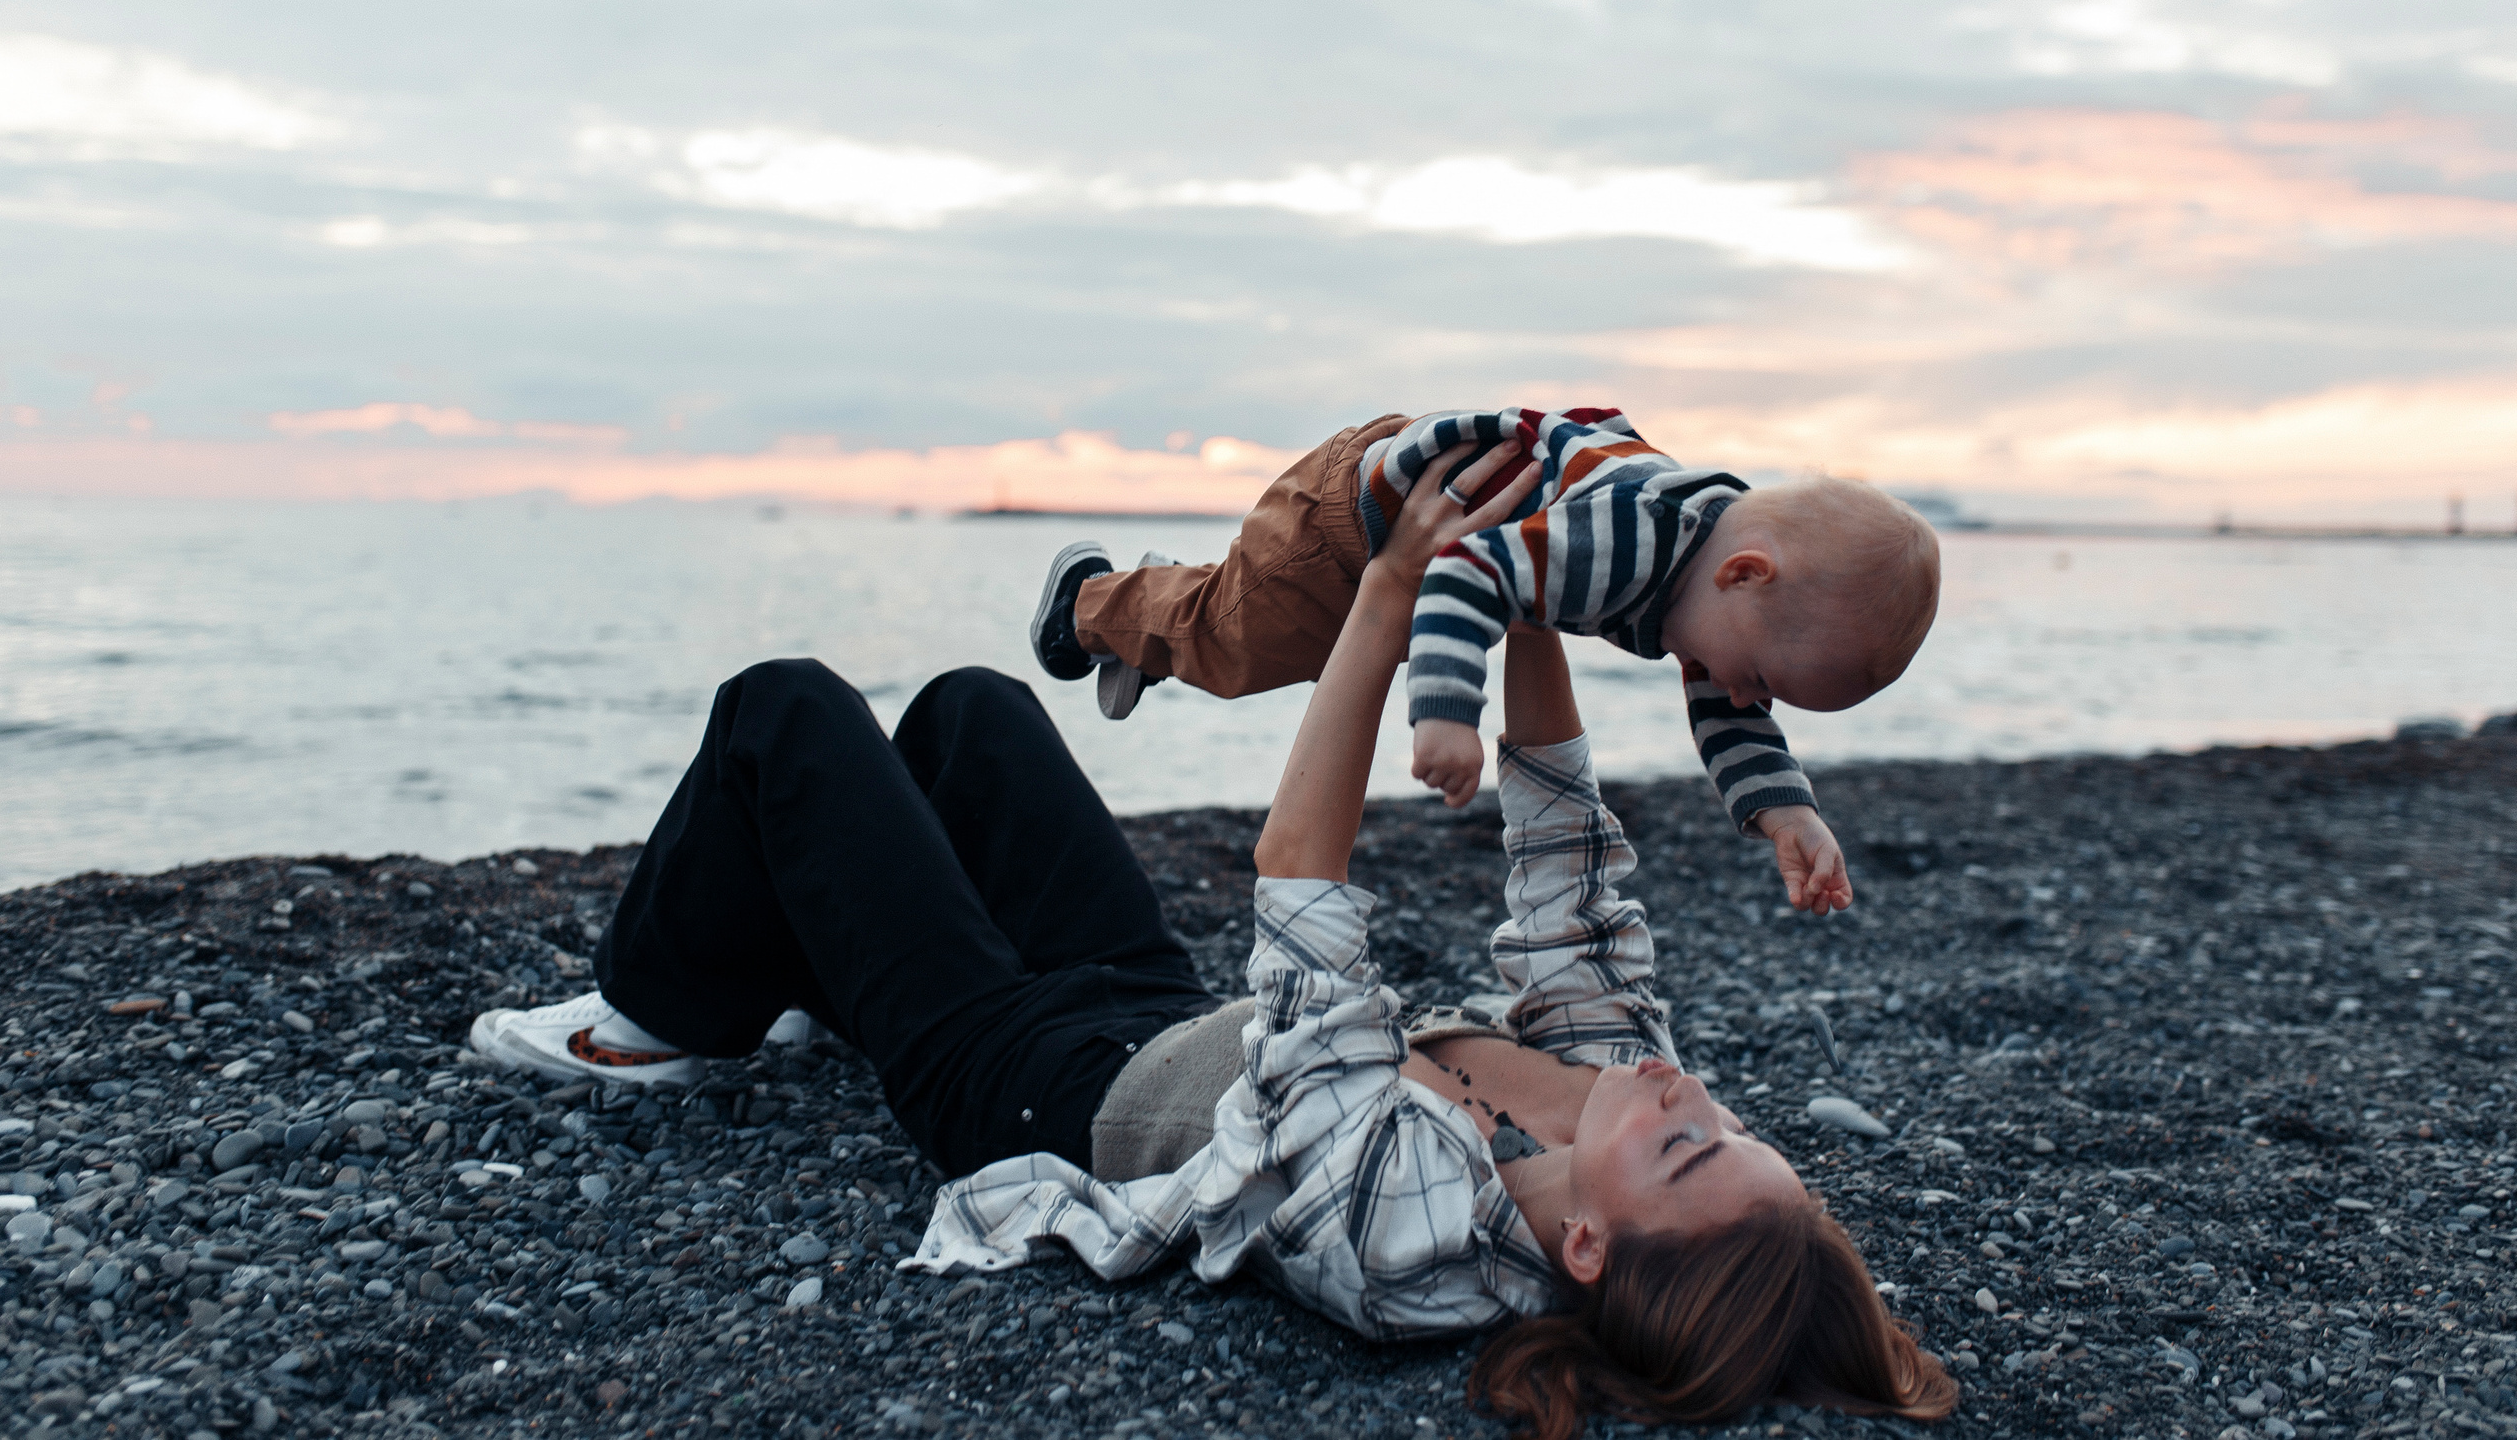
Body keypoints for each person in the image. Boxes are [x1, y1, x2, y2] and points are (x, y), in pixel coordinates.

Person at [467, 447, 1956, 1435]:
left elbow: (1300, 877)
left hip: (1036, 1082)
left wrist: (1387, 603)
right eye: (1738, 1121)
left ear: (1584, 1243)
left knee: (786, 707)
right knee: (977, 713)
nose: (1693, 1093)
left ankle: (655, 1012)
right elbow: (1563, 845)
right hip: (1161, 1007)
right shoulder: (1624, 1090)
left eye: (1691, 1146)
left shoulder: (1410, 1234)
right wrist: (1528, 582)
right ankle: (798, 957)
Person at [1031, 407, 1940, 918]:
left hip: (1404, 527)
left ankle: (1152, 618)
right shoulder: (1633, 539)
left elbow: (1730, 708)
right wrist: (1447, 715)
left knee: (1277, 647)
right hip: (1353, 519)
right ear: (1746, 575)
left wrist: (1786, 812)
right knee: (1239, 646)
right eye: (1766, 680)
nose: (1743, 695)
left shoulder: (1719, 579)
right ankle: (1092, 602)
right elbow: (1470, 568)